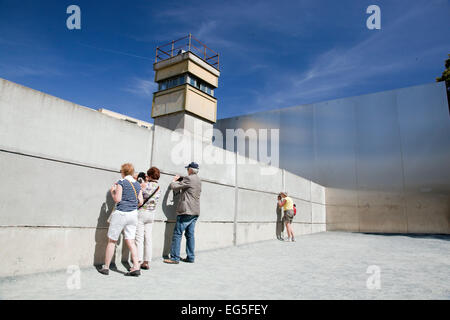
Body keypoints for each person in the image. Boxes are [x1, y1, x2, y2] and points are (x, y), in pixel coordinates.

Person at [98, 163, 144, 276]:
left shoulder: (121, 182)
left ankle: (106, 267)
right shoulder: (138, 185)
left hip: (121, 213)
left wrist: (112, 191)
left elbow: (117, 199)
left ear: (123, 172)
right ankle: (136, 267)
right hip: (133, 214)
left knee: (112, 240)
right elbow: (141, 202)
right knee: (131, 241)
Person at [163, 162, 202, 264]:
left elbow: (174, 186)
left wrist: (174, 180)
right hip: (195, 211)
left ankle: (175, 258)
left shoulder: (189, 179)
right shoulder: (198, 180)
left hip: (186, 211)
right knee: (190, 235)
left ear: (190, 169)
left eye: (187, 169)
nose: (186, 171)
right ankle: (190, 256)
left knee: (177, 234)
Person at [135, 167, 161, 270]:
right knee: (148, 238)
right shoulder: (159, 187)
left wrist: (142, 179)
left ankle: (138, 261)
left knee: (139, 238)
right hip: (151, 214)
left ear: (149, 175)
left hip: (142, 213)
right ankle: (146, 262)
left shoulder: (145, 185)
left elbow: (139, 193)